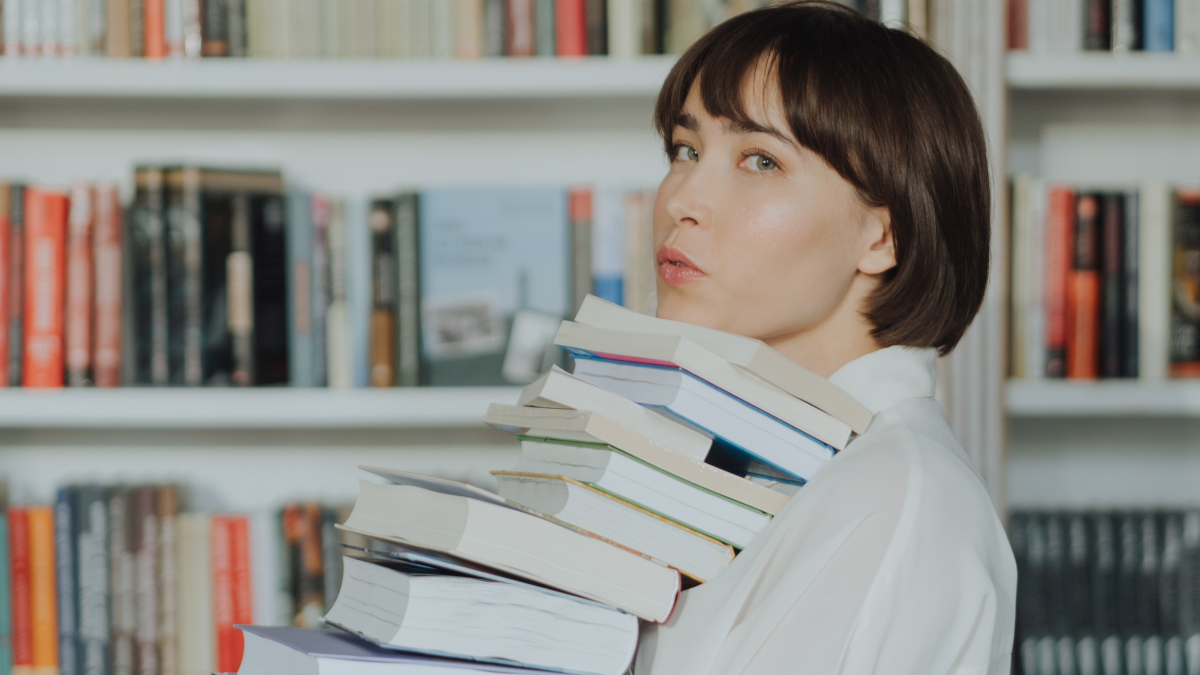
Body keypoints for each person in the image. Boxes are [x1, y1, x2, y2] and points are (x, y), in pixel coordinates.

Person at [634, 2, 1016, 674]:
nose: (682, 198)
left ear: (884, 234)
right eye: (685, 149)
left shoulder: (896, 501)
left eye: (759, 161)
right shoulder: (765, 472)